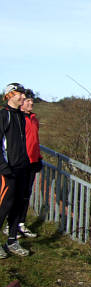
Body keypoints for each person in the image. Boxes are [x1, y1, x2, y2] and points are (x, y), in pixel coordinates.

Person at [2, 89, 42, 239]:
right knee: (10, 198)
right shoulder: (14, 118)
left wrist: (38, 158)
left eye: (31, 101)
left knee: (25, 195)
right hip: (15, 164)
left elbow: (34, 142)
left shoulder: (34, 119)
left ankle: (20, 224)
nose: (31, 103)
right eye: (27, 101)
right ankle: (9, 225)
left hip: (31, 163)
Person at [0, 83, 30, 258]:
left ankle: (12, 240)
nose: (23, 97)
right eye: (20, 94)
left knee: (18, 206)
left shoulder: (19, 116)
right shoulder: (4, 115)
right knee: (4, 206)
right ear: (10, 95)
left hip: (22, 168)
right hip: (8, 170)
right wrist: (3, 167)